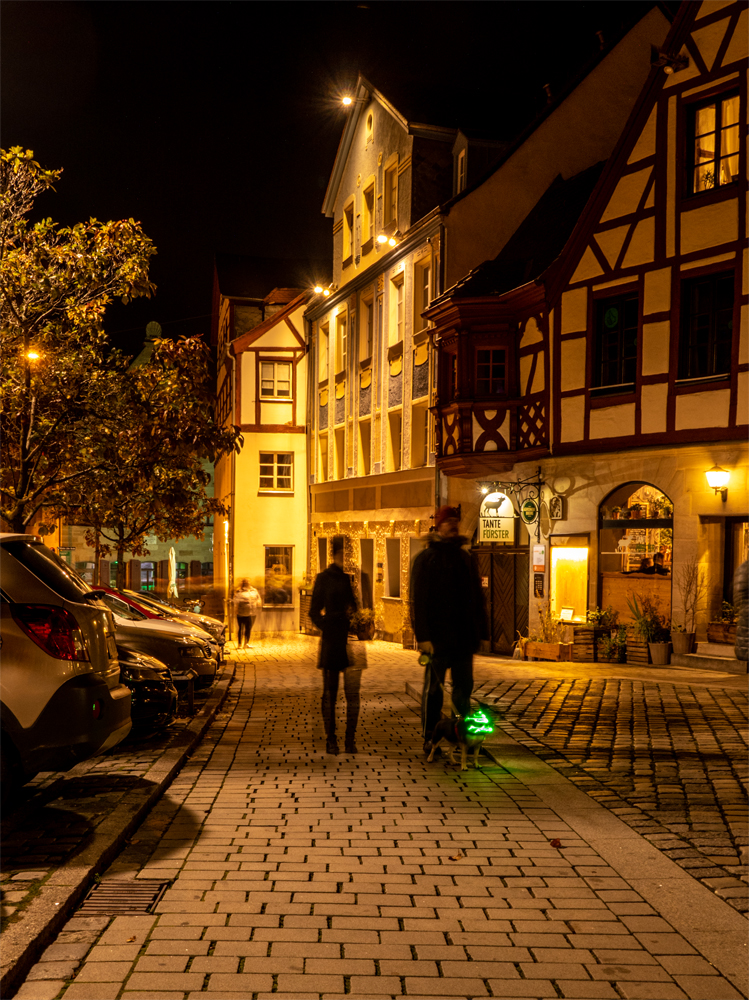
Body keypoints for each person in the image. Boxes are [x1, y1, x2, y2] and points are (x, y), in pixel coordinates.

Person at [410, 505, 488, 755]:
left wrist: (482, 632)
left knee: (463, 689)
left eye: (456, 521)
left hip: (464, 638)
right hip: (437, 639)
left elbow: (477, 597)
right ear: (439, 525)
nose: (453, 525)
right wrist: (422, 637)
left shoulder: (466, 558)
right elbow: (418, 601)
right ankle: (430, 737)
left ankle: (462, 736)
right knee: (434, 690)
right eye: (448, 521)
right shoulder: (426, 559)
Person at [309, 536, 362, 755]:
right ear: (335, 553)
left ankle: (350, 740)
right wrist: (328, 626)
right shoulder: (324, 578)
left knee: (353, 695)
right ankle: (331, 739)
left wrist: (359, 621)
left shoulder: (350, 578)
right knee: (330, 693)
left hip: (350, 643)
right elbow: (313, 611)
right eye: (343, 553)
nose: (346, 556)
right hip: (332, 641)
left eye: (348, 553)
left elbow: (356, 608)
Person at [233, 578, 260, 648]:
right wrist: (243, 601)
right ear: (243, 583)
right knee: (241, 628)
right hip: (241, 613)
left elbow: (258, 599)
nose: (247, 583)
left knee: (248, 628)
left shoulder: (254, 590)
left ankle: (246, 643)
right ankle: (239, 644)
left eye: (248, 582)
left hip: (251, 613)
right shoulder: (239, 591)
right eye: (245, 582)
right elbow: (235, 600)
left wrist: (258, 602)